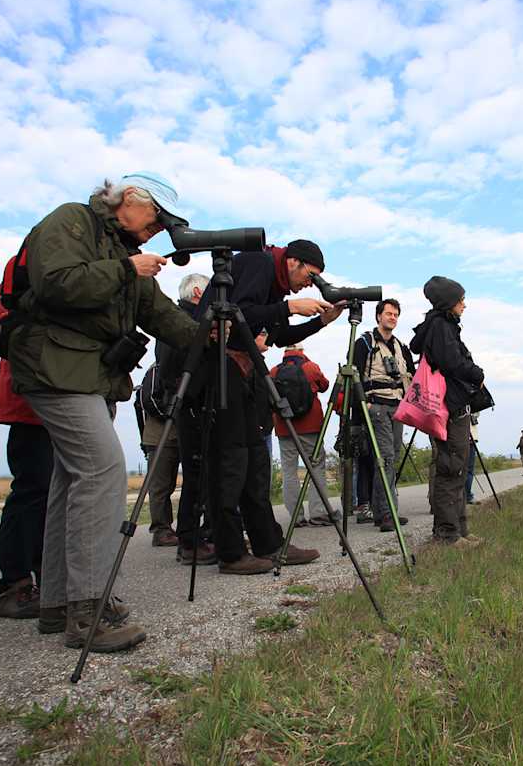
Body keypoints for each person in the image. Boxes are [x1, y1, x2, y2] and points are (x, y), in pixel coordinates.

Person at [6, 172, 198, 653]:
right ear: (128, 200)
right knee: (101, 468)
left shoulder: (122, 254)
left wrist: (214, 336)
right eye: (156, 217)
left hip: (86, 372)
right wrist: (126, 270)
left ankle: (56, 602)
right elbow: (54, 283)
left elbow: (160, 315)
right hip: (54, 363)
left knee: (70, 480)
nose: (158, 230)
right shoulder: (74, 221)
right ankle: (87, 607)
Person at [187, 240, 343, 574]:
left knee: (256, 461)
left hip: (241, 369)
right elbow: (238, 311)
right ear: (293, 262)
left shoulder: (273, 284)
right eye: (310, 276)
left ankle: (269, 544)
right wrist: (289, 307)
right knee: (230, 462)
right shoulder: (258, 263)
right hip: (218, 367)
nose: (309, 284)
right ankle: (230, 552)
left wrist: (322, 321)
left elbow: (276, 333)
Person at [410, 276, 485, 547]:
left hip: (453, 406)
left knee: (457, 467)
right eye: (460, 300)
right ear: (448, 302)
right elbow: (453, 362)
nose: (464, 304)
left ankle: (460, 531)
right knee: (451, 467)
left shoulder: (442, 325)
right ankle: (447, 535)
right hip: (450, 407)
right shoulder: (441, 326)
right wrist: (478, 374)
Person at [0, 353, 52, 620]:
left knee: (50, 493)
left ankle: (47, 577)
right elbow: (4, 324)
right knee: (33, 488)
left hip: (58, 392)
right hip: (34, 397)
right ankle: (14, 584)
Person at [158, 273, 216, 565]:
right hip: (190, 404)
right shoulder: (182, 322)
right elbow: (175, 367)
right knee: (196, 474)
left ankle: (201, 535)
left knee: (203, 474)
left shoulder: (186, 319)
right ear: (197, 292)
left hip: (191, 402)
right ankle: (190, 541)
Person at [354, 298, 416, 532]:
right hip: (376, 406)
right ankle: (387, 513)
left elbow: (411, 375)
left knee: (392, 458)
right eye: (389, 313)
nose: (392, 317)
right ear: (378, 316)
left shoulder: (401, 346)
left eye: (396, 314)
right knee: (385, 459)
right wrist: (363, 409)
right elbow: (355, 374)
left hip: (397, 407)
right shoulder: (365, 342)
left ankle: (383, 512)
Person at [270, 344, 332, 528]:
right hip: (310, 426)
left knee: (289, 472)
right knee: (316, 468)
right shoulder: (311, 367)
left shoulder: (273, 371)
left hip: (284, 427)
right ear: (302, 350)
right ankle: (318, 513)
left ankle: (296, 516)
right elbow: (325, 386)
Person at [135, 361, 182, 548]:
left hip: (179, 434)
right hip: (160, 436)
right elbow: (150, 401)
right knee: (161, 486)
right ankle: (161, 530)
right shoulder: (157, 369)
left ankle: (179, 528)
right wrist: (175, 413)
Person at [465, 414, 480, 504]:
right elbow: (476, 413)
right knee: (469, 470)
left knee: (465, 469)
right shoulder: (470, 403)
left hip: (457, 437)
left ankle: (464, 495)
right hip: (469, 439)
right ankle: (468, 496)